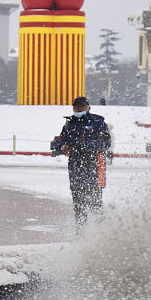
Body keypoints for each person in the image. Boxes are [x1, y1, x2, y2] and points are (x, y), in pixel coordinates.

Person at [51, 96, 111, 228]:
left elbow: (105, 143)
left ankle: (101, 231)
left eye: (82, 106)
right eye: (76, 106)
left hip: (93, 165)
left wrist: (84, 146)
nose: (79, 108)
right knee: (78, 203)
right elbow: (59, 141)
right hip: (75, 166)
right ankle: (81, 231)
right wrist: (62, 146)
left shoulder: (98, 122)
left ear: (88, 107)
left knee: (95, 201)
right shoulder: (69, 124)